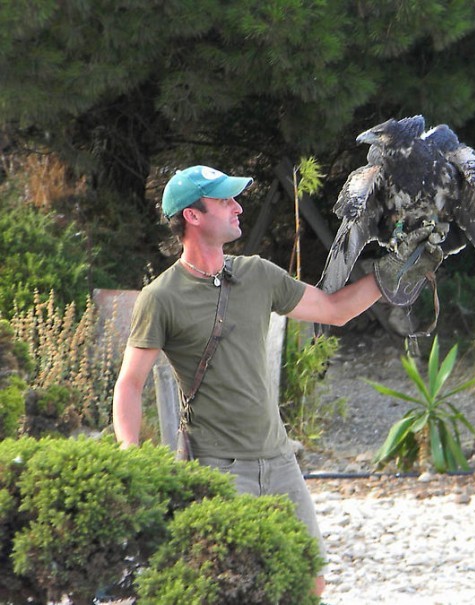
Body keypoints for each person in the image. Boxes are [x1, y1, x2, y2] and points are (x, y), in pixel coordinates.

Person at [112, 165, 439, 598]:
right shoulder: (160, 298)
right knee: (231, 586)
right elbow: (129, 384)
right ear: (192, 216)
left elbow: (334, 310)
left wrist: (392, 272)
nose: (237, 207)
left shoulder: (258, 274)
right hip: (217, 470)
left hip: (280, 459)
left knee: (311, 579)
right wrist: (131, 462)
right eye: (224, 200)